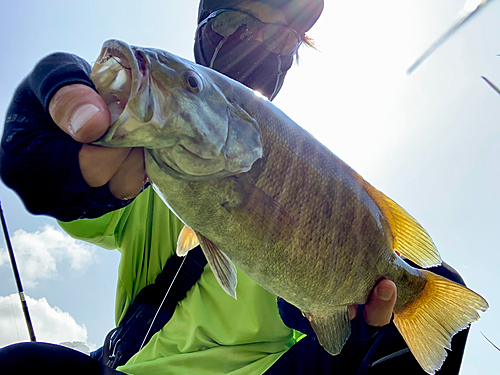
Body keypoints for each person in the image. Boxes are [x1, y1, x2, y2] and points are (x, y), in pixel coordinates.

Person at [0, 1, 470, 374]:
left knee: (433, 293)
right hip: (129, 368)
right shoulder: (135, 170)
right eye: (232, 23)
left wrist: (345, 318)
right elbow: (73, 202)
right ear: (203, 32)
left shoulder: (316, 184)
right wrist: (55, 159)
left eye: (283, 37)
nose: (258, 45)